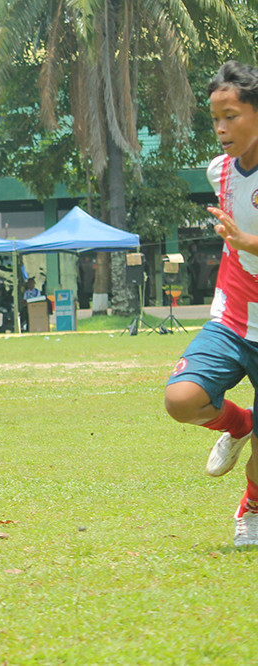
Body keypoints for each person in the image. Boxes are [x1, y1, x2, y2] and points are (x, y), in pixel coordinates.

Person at [165, 60, 258, 547]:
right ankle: (239, 423)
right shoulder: (218, 170)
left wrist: (247, 243)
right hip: (233, 318)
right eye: (215, 118)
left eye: (232, 115)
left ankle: (253, 508)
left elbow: (243, 239)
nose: (221, 128)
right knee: (181, 401)